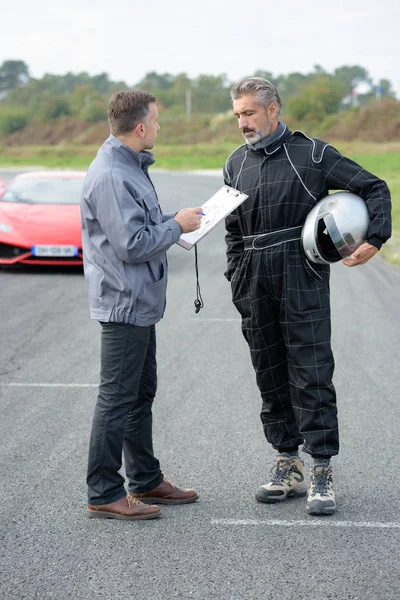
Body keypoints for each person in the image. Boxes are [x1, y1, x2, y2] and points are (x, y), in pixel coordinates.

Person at [223, 77, 392, 516]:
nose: (243, 122)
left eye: (250, 113)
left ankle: (321, 469)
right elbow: (231, 231)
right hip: (254, 276)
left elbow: (374, 187)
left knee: (311, 368)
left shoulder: (312, 154)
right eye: (238, 114)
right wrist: (237, 276)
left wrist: (374, 238)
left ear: (274, 110)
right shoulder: (234, 163)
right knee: (269, 371)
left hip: (302, 271)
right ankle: (287, 463)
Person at [81, 89, 203, 520]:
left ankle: (146, 479)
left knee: (139, 392)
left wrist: (175, 226)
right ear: (140, 127)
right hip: (124, 302)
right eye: (156, 120)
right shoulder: (113, 175)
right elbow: (132, 245)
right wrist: (176, 225)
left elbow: (140, 227)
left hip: (138, 300)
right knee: (117, 398)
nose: (158, 127)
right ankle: (104, 491)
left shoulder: (129, 166)